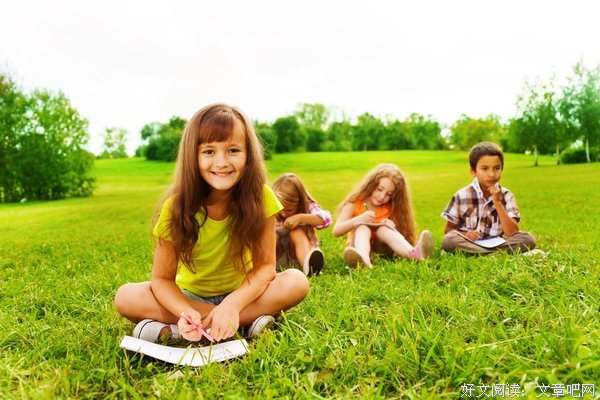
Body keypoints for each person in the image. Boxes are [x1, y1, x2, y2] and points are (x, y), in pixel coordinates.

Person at [114, 103, 309, 343]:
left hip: (245, 294)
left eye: (233, 150)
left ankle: (185, 331)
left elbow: (264, 269)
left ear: (248, 155)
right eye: (209, 152)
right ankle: (239, 325)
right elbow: (162, 280)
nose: (221, 162)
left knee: (296, 282)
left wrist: (233, 304)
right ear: (192, 156)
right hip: (191, 297)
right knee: (126, 296)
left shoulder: (261, 197)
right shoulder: (176, 207)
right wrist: (186, 312)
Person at [441, 141, 537, 254]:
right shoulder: (462, 195)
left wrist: (497, 202)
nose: (491, 174)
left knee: (528, 239)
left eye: (497, 168)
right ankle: (498, 253)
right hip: (470, 242)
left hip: (498, 242)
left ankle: (480, 253)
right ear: (473, 171)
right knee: (448, 240)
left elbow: (512, 232)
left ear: (502, 168)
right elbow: (448, 230)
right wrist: (465, 234)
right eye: (485, 169)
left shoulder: (507, 195)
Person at [332, 163, 434, 267]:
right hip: (357, 247)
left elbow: (398, 234)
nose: (382, 196)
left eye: (389, 194)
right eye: (380, 189)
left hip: (380, 249)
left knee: (383, 228)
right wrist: (359, 219)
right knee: (362, 227)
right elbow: (336, 231)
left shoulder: (389, 207)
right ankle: (364, 260)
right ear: (371, 185)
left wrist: (390, 225)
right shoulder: (354, 203)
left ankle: (414, 254)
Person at [272, 173, 332, 277]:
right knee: (272, 235)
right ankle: (265, 268)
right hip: (277, 259)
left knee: (297, 231)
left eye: (289, 210)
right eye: (280, 210)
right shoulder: (271, 211)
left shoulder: (308, 207)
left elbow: (326, 219)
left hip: (298, 257)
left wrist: (300, 218)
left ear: (300, 202)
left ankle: (308, 267)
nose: (283, 214)